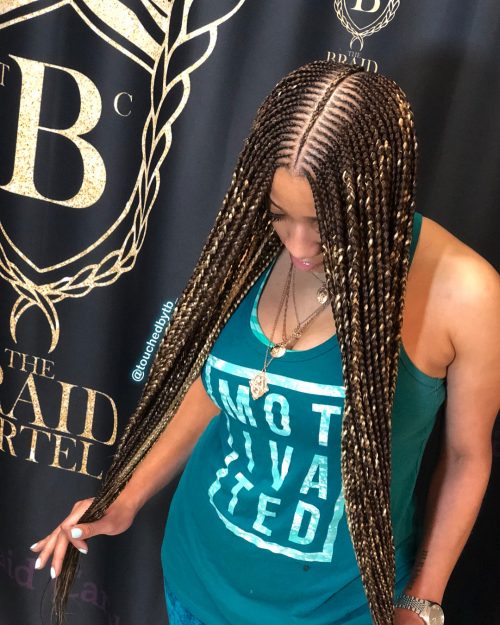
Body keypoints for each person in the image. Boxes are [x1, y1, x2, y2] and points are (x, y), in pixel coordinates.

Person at [29, 60, 499, 625]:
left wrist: (421, 600)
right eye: (281, 215)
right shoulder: (247, 248)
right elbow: (217, 388)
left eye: (323, 222)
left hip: (337, 610)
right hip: (196, 584)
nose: (297, 245)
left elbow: (467, 456)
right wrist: (126, 497)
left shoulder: (464, 294)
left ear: (378, 194)